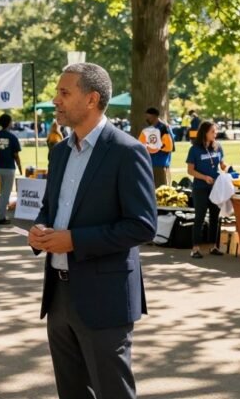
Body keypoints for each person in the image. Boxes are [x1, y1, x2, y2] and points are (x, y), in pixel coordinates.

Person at [28, 63, 157, 399]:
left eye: (64, 92)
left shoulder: (127, 152)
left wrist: (73, 240)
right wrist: (40, 229)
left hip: (105, 298)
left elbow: (142, 225)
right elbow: (50, 209)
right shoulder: (59, 152)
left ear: (92, 99)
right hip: (58, 296)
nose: (55, 99)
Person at [186, 120, 228, 259]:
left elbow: (221, 164)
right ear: (205, 133)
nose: (215, 134)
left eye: (215, 131)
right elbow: (190, 171)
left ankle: (213, 246)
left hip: (216, 187)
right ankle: (195, 248)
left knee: (215, 217)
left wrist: (226, 168)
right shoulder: (194, 149)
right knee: (200, 217)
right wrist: (204, 177)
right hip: (200, 188)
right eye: (213, 132)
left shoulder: (218, 147)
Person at [0, 113, 23, 224]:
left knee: (2, 192)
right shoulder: (12, 137)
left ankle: (0, 213)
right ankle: (0, 217)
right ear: (9, 123)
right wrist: (20, 168)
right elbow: (16, 155)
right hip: (8, 168)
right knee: (6, 192)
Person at [139, 107, 175, 188]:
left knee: (161, 190)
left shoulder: (164, 128)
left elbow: (170, 147)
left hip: (160, 164)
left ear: (155, 116)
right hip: (149, 163)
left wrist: (155, 147)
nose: (147, 119)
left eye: (149, 118)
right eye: (146, 117)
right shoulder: (148, 129)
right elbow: (140, 144)